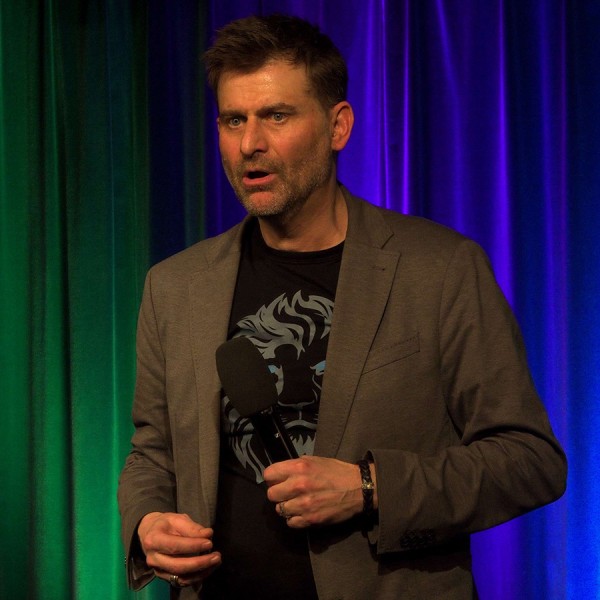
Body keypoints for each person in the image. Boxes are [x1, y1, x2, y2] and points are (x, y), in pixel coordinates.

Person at [118, 14, 567, 600]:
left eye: (277, 116)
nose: (250, 144)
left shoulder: (440, 270)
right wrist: (148, 523)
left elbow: (529, 460)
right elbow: (153, 454)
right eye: (233, 120)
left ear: (338, 126)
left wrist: (371, 487)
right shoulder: (175, 286)